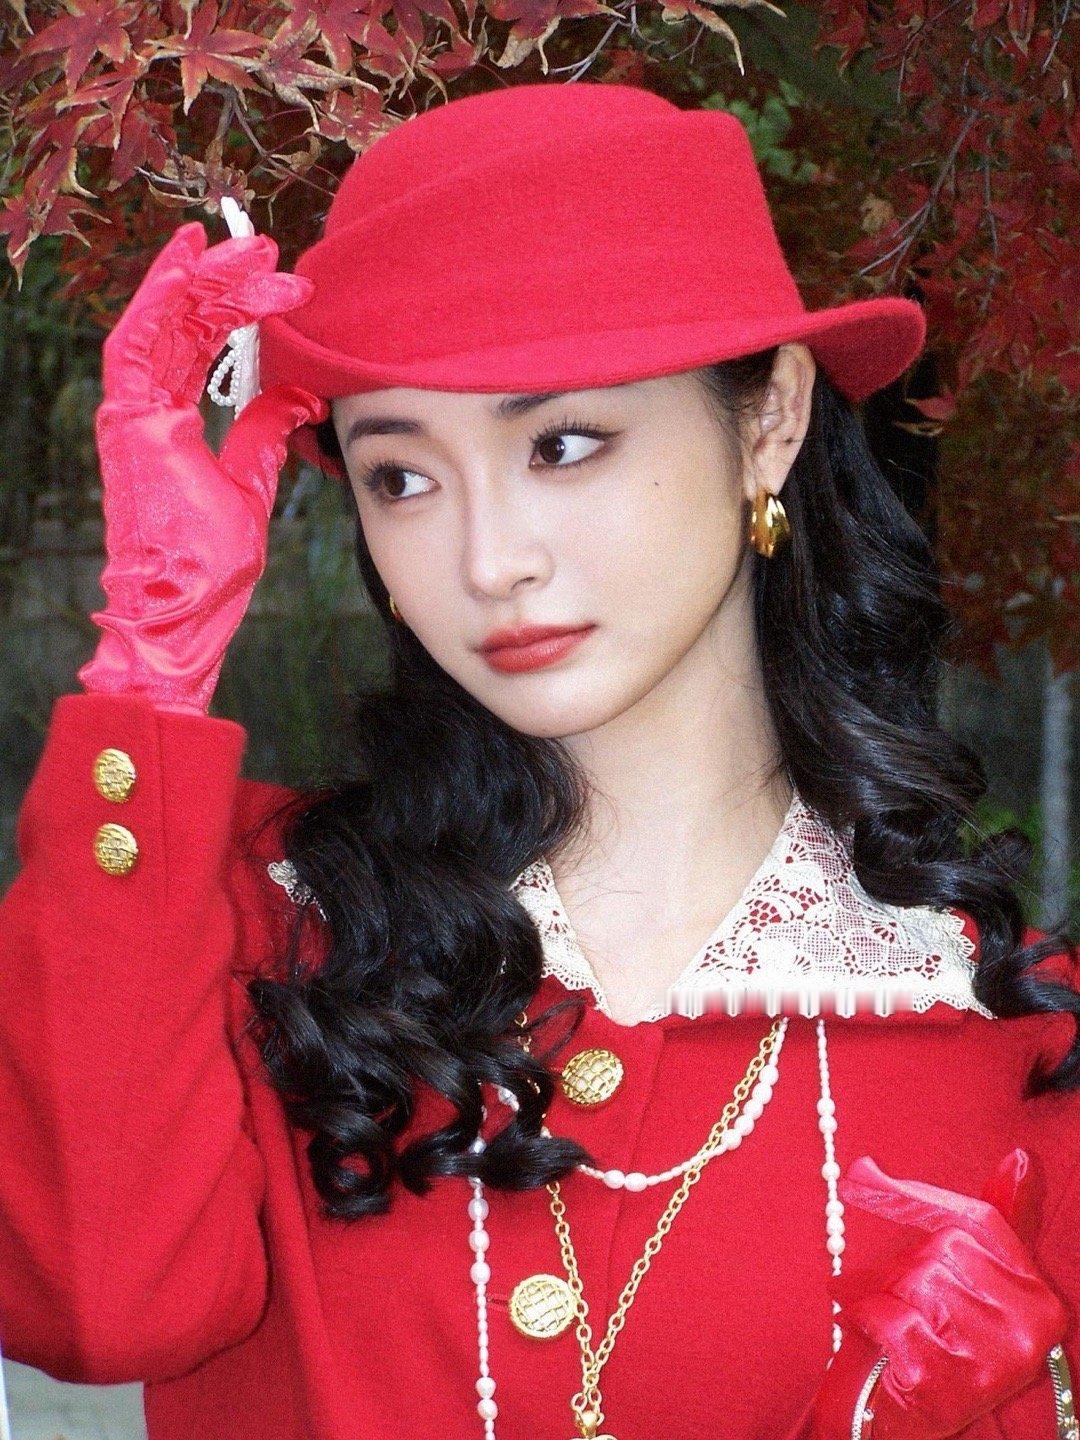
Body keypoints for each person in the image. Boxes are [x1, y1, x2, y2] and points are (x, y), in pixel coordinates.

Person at [0, 81, 1077, 1440]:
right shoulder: (237, 929)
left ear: (769, 421)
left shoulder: (1009, 1043)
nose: (487, 559)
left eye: (562, 445)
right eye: (401, 477)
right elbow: (93, 1314)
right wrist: (151, 661)